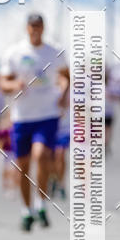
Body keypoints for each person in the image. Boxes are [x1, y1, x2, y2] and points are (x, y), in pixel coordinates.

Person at [0, 13, 67, 231]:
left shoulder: (54, 51)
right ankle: (27, 210)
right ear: (27, 28)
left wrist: (64, 93)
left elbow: (66, 75)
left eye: (39, 26)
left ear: (44, 27)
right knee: (23, 166)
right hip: (22, 117)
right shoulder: (14, 52)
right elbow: (3, 82)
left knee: (42, 155)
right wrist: (14, 85)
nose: (35, 29)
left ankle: (41, 204)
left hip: (47, 114)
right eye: (32, 26)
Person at [51, 67, 70, 199]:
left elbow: (63, 104)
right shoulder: (48, 88)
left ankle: (61, 182)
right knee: (49, 157)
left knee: (60, 154)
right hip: (50, 126)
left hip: (64, 127)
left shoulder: (70, 90)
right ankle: (53, 179)